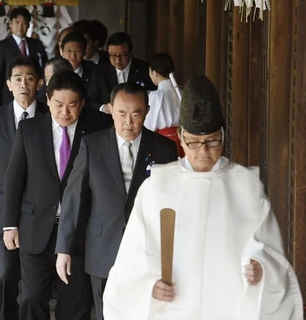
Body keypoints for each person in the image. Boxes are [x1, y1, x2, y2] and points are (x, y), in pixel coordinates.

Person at [103, 75, 304, 319]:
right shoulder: (158, 186)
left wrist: (261, 270)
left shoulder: (246, 186)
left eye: (211, 142)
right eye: (194, 143)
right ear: (181, 137)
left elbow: (268, 252)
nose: (203, 152)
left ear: (222, 135)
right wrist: (148, 286)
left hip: (227, 306)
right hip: (174, 307)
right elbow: (132, 258)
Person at [56, 82, 178, 320]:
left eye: (136, 114)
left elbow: (172, 203)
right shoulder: (92, 144)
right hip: (103, 246)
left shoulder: (164, 148)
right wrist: (63, 249)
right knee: (106, 313)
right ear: (111, 109)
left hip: (148, 249)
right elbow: (73, 198)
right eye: (121, 114)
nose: (128, 123)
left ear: (147, 110)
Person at [2, 70, 111, 320]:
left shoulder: (98, 129)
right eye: (59, 104)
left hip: (79, 231)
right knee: (31, 297)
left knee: (75, 302)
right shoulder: (29, 130)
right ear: (47, 100)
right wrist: (9, 224)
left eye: (72, 105)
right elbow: (14, 179)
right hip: (35, 226)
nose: (65, 112)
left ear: (82, 103)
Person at [0, 56, 47, 320]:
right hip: (2, 207)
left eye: (29, 78)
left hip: (39, 209)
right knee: (5, 273)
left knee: (32, 281)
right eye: (17, 79)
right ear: (8, 84)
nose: (23, 84)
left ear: (40, 83)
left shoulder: (49, 118)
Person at [87, 32, 155, 112]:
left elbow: (153, 97)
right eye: (112, 55)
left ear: (130, 52)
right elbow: (90, 99)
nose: (117, 60)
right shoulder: (100, 71)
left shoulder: (145, 69)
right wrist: (104, 108)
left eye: (122, 55)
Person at [0, 7, 47, 105]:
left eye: (24, 22)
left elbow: (43, 70)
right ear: (10, 24)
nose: (20, 26)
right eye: (17, 22)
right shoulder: (2, 46)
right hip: (9, 97)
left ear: (28, 25)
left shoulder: (37, 44)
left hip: (35, 96)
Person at [145, 52, 183, 156]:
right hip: (184, 142)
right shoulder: (183, 92)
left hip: (164, 141)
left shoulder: (155, 96)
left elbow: (148, 127)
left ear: (155, 73)